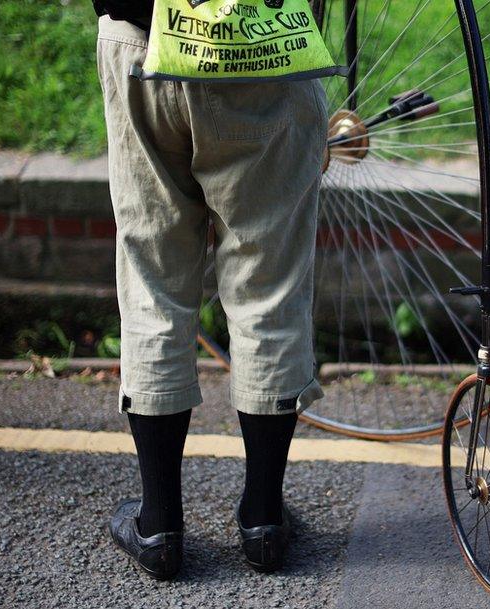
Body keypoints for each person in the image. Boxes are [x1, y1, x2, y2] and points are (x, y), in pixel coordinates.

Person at [92, 0, 329, 579]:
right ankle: (263, 519)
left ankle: (160, 523)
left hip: (141, 42)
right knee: (267, 284)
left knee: (153, 280)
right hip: (264, 47)